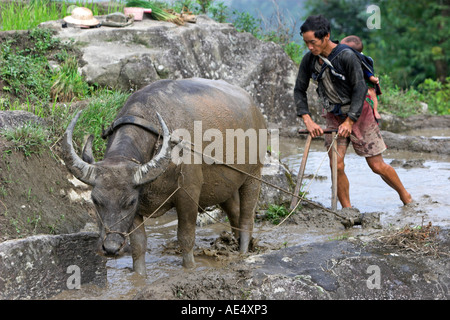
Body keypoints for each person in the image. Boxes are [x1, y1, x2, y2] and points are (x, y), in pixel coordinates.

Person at [294, 15, 412, 208]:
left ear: (326, 37)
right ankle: (348, 210)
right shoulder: (309, 60)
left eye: (312, 42)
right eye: (306, 42)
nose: (309, 47)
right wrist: (307, 119)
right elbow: (299, 89)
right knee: (336, 165)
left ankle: (405, 196)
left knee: (376, 165)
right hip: (333, 114)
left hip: (360, 114)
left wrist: (350, 121)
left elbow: (360, 89)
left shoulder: (346, 56)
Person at [341, 35, 382, 122]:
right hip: (350, 84)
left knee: (371, 93)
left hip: (364, 82)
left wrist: (371, 77)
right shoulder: (340, 58)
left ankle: (375, 110)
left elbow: (367, 70)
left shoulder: (361, 59)